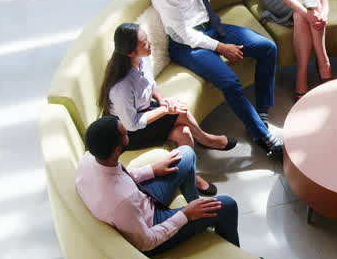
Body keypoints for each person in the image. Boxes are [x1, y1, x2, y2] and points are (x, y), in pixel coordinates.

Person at [151, 0, 283, 158]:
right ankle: (262, 135)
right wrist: (221, 47)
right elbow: (182, 33)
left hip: (212, 26)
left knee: (267, 48)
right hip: (187, 43)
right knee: (230, 81)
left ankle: (262, 110)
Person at [98, 22, 236, 196]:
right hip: (129, 132)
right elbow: (132, 124)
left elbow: (150, 84)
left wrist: (162, 101)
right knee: (179, 111)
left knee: (183, 133)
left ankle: (191, 174)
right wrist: (165, 110)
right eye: (144, 43)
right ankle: (206, 140)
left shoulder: (143, 58)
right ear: (130, 52)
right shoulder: (122, 86)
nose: (150, 44)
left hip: (145, 111)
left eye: (147, 39)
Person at [76, 116, 240, 255]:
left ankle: (194, 203)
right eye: (125, 133)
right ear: (118, 149)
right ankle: (235, 255)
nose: (128, 131)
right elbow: (146, 242)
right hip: (153, 226)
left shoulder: (90, 157)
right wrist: (185, 215)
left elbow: (121, 177)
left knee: (186, 153)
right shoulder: (122, 201)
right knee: (227, 204)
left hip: (141, 198)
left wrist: (152, 170)